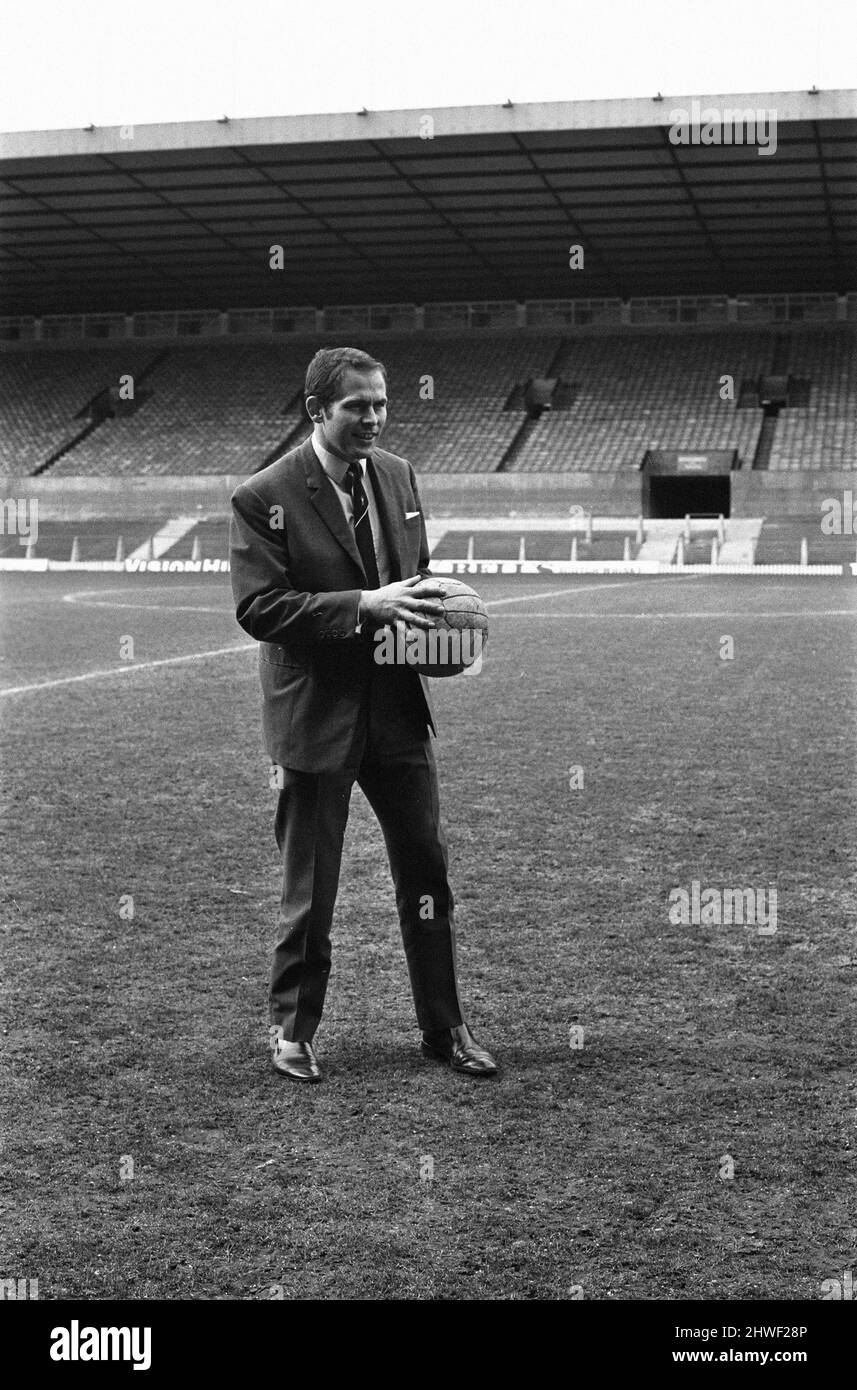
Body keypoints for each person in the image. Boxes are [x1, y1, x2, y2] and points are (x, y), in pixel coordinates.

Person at [229, 347, 497, 1083]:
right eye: (357, 406)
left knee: (426, 869)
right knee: (311, 882)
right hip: (314, 714)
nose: (373, 418)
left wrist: (443, 631)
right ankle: (292, 1031)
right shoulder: (264, 494)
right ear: (318, 410)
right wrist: (362, 606)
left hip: (396, 710)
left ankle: (444, 1027)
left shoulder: (399, 475)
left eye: (380, 404)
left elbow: (416, 580)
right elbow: (260, 608)